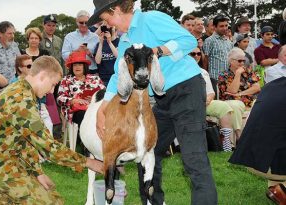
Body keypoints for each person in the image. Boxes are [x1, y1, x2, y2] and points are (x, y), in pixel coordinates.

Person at [88, 0, 218, 204]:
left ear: (117, 10)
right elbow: (117, 75)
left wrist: (157, 51)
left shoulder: (151, 19)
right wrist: (102, 108)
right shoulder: (124, 42)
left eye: (107, 18)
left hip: (187, 90)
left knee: (194, 159)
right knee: (147, 153)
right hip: (161, 99)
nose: (108, 24)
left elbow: (188, 40)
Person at [0, 56, 104, 204]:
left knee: (55, 200)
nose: (51, 91)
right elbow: (48, 146)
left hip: (10, 162)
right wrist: (89, 162)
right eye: (53, 84)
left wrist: (37, 173)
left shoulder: (21, 90)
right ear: (42, 76)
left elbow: (27, 141)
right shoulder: (22, 100)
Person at [228, 77, 286, 204]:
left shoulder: (272, 85)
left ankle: (277, 188)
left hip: (252, 158)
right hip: (273, 164)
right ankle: (283, 190)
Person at [191, 47, 245, 150]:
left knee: (224, 106)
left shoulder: (203, 72)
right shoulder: (181, 71)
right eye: (193, 54)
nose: (196, 56)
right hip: (189, 102)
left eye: (198, 54)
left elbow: (211, 92)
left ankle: (227, 144)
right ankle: (237, 139)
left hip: (205, 102)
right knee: (234, 105)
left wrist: (208, 99)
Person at [57, 51, 105, 126]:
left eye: (80, 65)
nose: (77, 67)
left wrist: (94, 98)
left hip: (94, 107)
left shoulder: (95, 78)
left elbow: (105, 95)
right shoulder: (66, 80)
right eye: (75, 65)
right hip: (76, 111)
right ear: (71, 67)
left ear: (84, 66)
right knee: (83, 115)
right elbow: (59, 99)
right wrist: (74, 100)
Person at [203, 15, 233, 80]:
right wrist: (205, 77)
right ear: (214, 27)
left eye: (226, 25)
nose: (225, 28)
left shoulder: (229, 41)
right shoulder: (209, 40)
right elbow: (205, 60)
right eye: (221, 26)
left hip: (227, 79)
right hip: (214, 78)